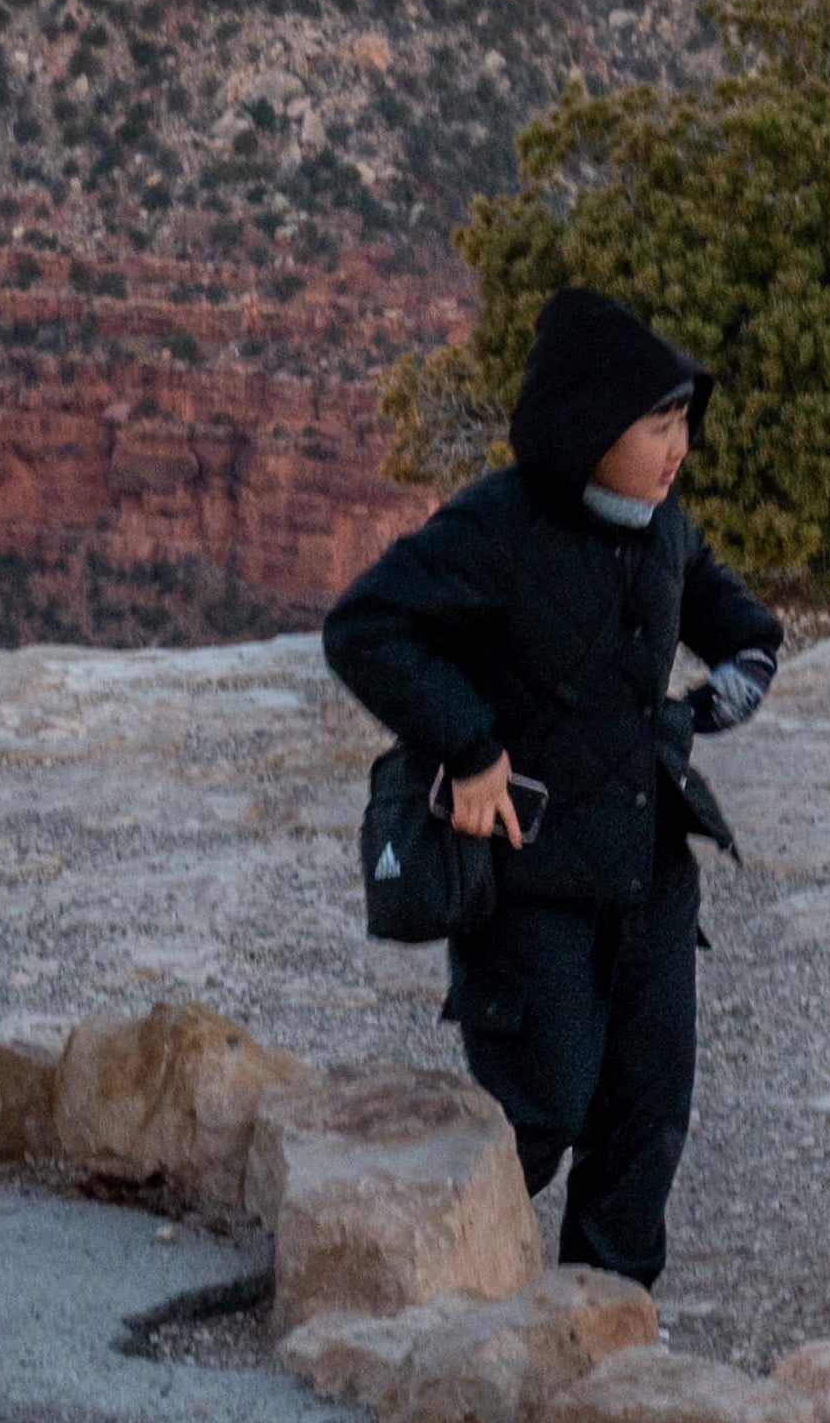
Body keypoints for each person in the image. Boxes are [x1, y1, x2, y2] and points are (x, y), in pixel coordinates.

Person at [324, 289, 787, 1287]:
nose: (678, 447)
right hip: (527, 877)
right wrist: (472, 746)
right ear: (589, 428)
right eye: (656, 423)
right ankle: (406, 1286)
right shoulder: (499, 525)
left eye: (684, 421)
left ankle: (603, 1330)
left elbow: (749, 637)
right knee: (542, 1110)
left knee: (647, 1114)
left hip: (650, 870)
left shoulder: (667, 531)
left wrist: (689, 717)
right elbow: (365, 628)